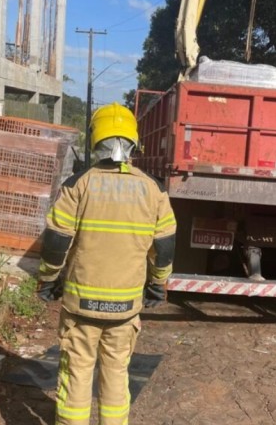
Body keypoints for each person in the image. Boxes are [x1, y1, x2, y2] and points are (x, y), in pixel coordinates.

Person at [37, 102, 177, 425]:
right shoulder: (154, 190)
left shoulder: (78, 185)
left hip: (81, 307)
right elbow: (165, 247)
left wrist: (48, 279)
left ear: (96, 139)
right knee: (116, 374)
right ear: (132, 143)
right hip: (125, 308)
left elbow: (56, 242)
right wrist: (158, 284)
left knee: (77, 375)